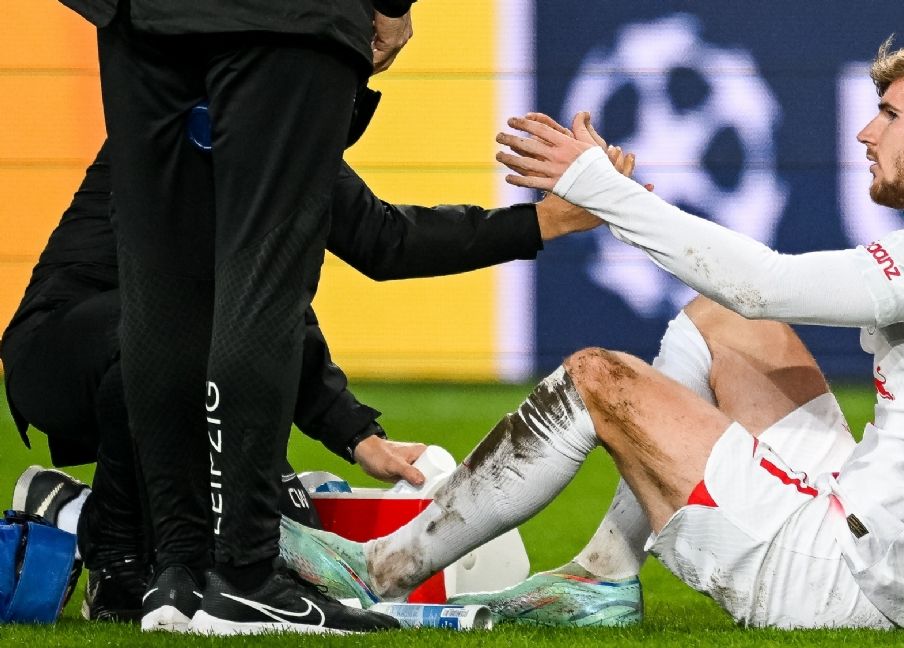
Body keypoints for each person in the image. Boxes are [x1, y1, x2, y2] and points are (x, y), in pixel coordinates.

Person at [280, 38, 904, 629]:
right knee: (725, 320)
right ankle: (604, 577)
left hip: (846, 580)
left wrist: (601, 189)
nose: (865, 131)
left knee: (596, 379)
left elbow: (765, 281)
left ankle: (382, 569)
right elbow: (745, 301)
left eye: (890, 114)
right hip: (893, 553)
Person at [2, 128, 620, 624]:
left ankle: (78, 516)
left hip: (171, 353)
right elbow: (263, 297)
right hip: (63, 350)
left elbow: (359, 251)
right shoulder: (214, 113)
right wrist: (545, 221)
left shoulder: (276, 119)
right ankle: (114, 557)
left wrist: (356, 435)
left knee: (287, 535)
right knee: (174, 336)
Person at [57, 0, 426, 634]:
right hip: (282, 15)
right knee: (261, 285)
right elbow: (374, 241)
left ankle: (177, 575)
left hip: (140, 17)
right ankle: (247, 580)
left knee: (158, 291)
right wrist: (391, 7)